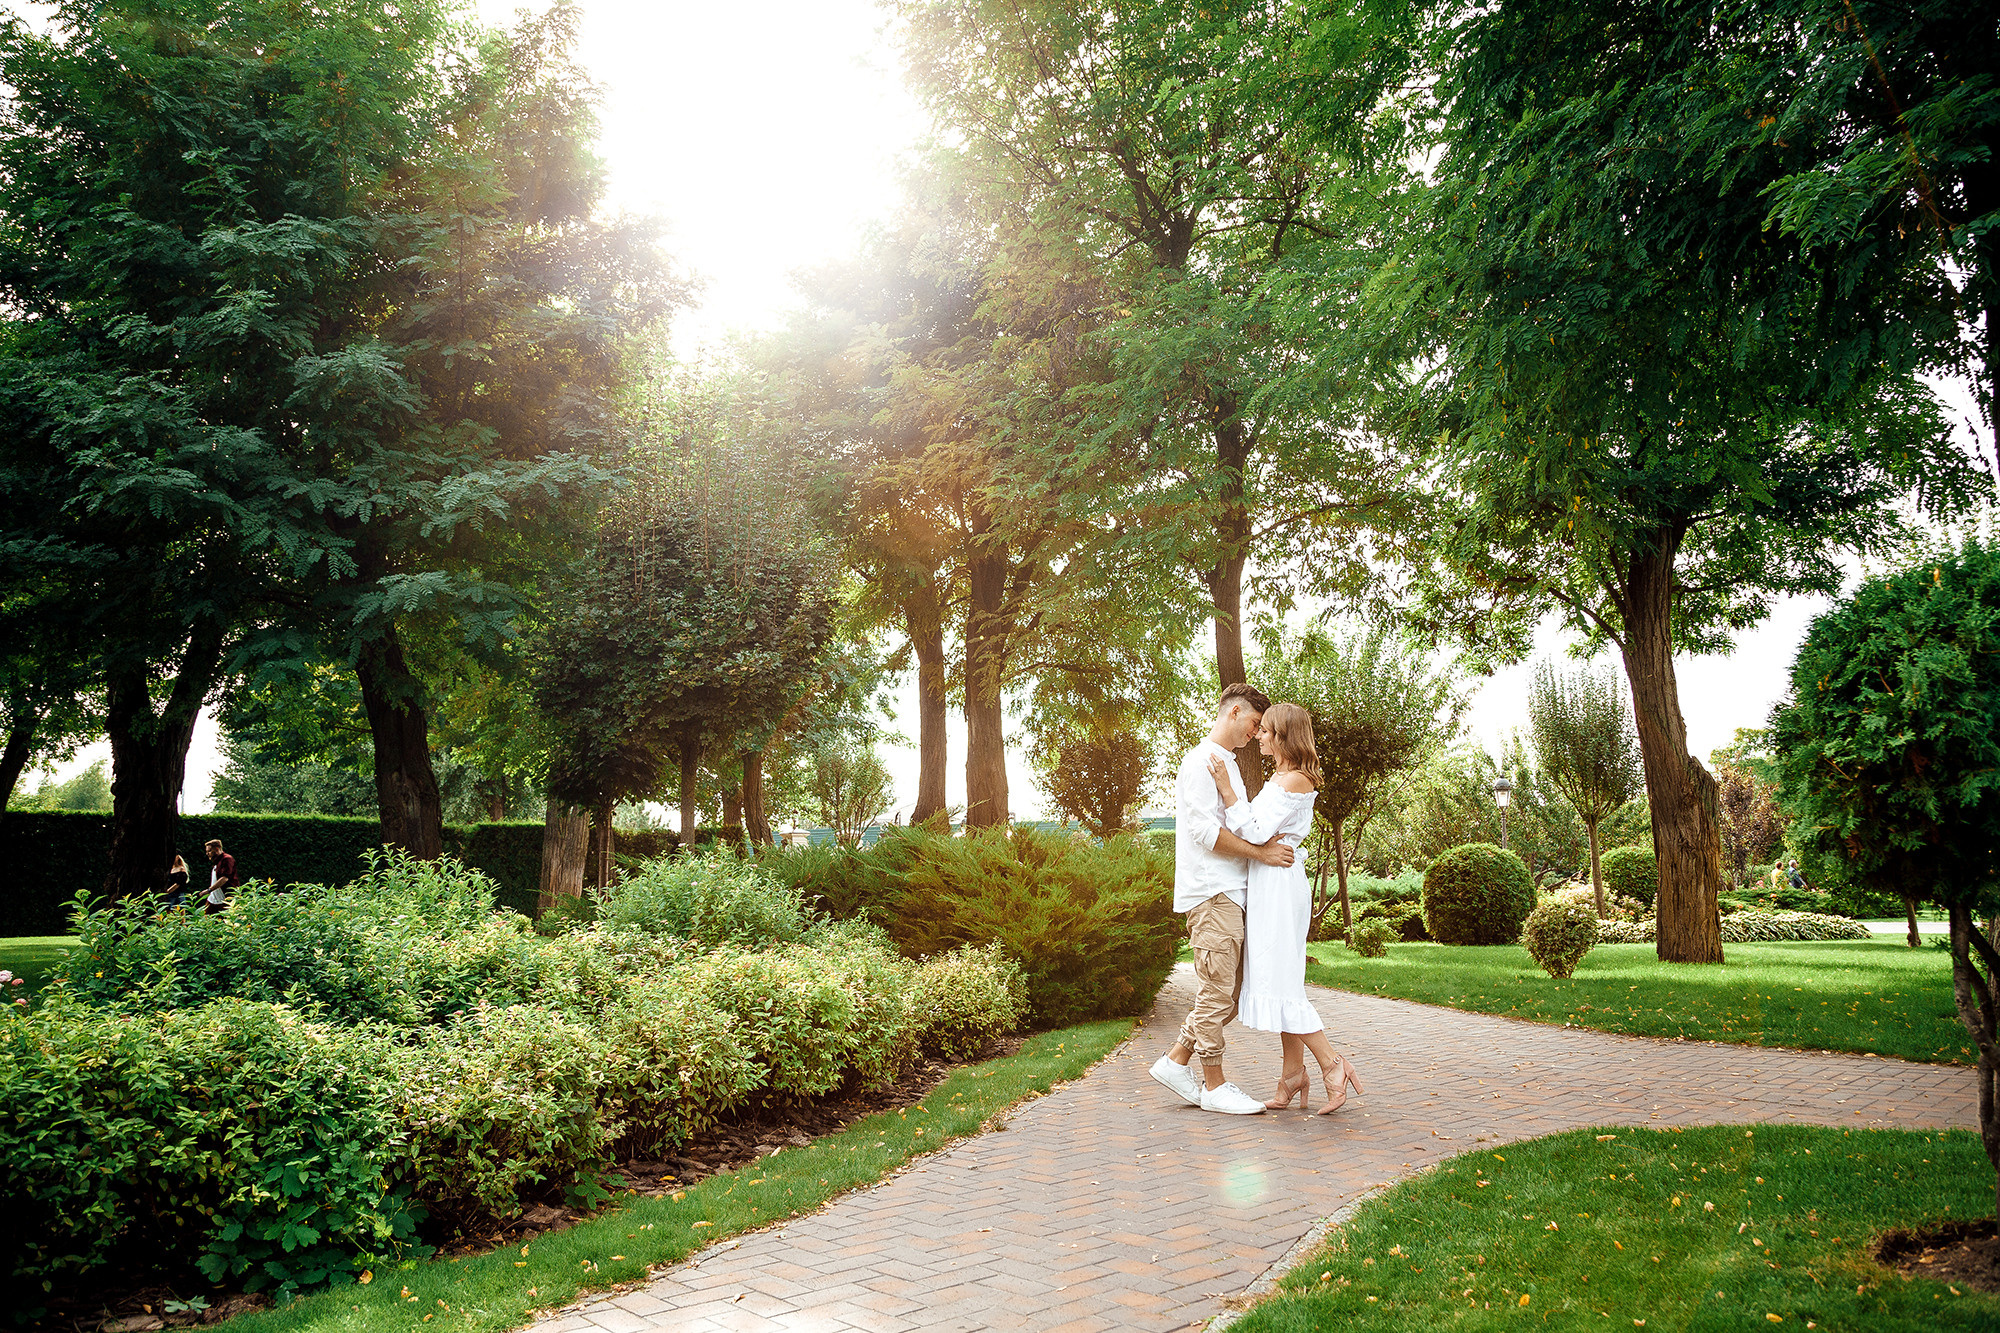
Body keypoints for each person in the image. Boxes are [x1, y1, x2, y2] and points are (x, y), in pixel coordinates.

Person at [1209, 703, 1365, 1113]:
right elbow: (1256, 833)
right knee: (1282, 984)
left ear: (1282, 736)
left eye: (1266, 731)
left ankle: (1333, 1065)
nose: (1258, 735)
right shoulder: (1280, 777)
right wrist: (1253, 834)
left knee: (1281, 984)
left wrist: (1227, 789)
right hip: (1268, 882)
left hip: (1279, 885)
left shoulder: (1294, 779)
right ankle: (1292, 1076)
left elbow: (1257, 830)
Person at [1149, 682, 1295, 1116]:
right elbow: (1204, 833)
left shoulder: (1225, 764)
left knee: (1227, 995)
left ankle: (1176, 1061)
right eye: (1254, 723)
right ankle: (1214, 1083)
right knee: (1217, 993)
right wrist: (1262, 853)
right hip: (1211, 894)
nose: (1257, 732)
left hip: (1229, 893)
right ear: (1233, 713)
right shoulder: (1201, 762)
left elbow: (1237, 822)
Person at [203, 839, 238, 915]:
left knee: (228, 921)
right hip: (213, 898)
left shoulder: (227, 859)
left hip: (225, 897)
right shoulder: (217, 861)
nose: (207, 854)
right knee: (206, 919)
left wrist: (209, 890)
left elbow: (224, 878)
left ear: (217, 849)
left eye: (209, 851)